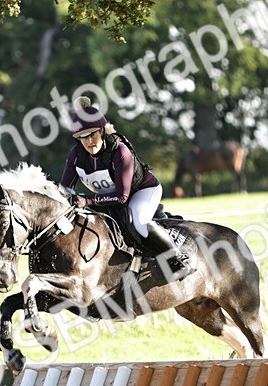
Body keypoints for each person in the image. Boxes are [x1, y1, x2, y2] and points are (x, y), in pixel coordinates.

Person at [57, 97, 194, 278]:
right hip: (108, 197)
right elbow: (65, 189)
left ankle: (179, 258)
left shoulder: (119, 151)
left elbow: (122, 196)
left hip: (142, 191)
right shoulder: (76, 155)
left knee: (139, 222)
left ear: (102, 131)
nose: (89, 141)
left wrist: (87, 200)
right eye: (83, 137)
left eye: (93, 135)